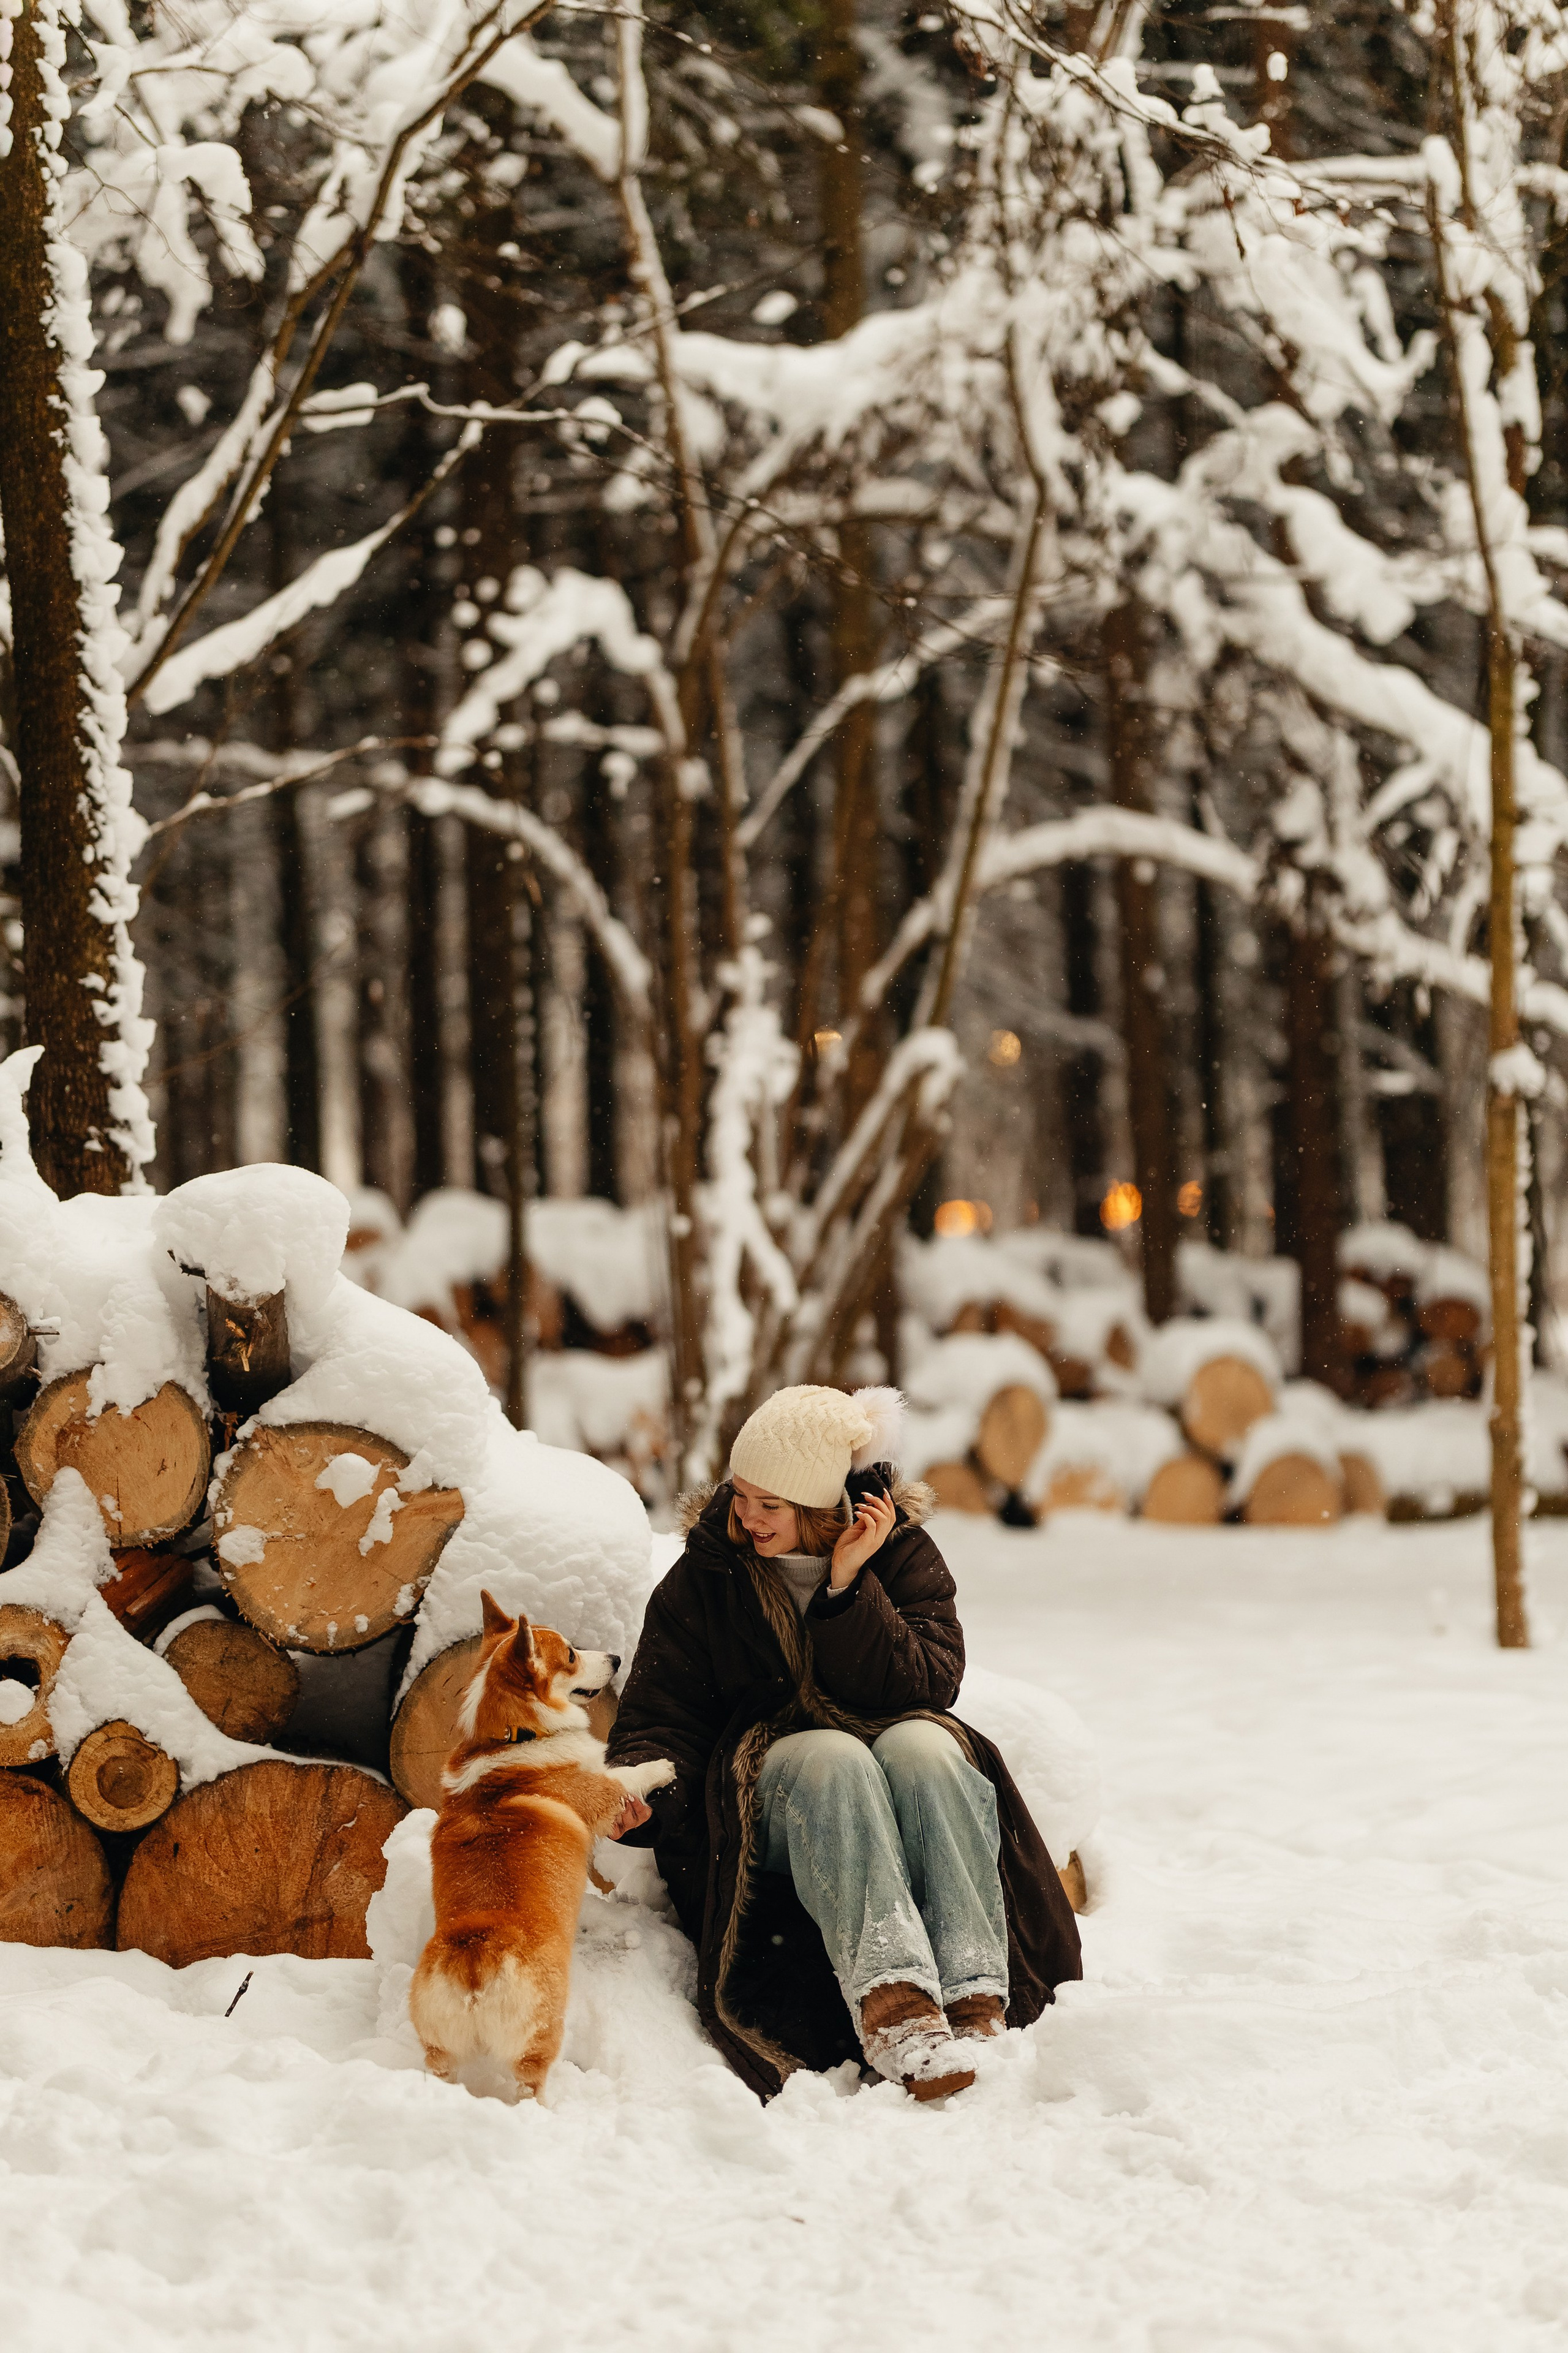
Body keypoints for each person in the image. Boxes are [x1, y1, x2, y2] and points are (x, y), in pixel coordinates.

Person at [606, 1382, 1082, 2101]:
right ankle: (897, 2010)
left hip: (891, 1753)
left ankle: (974, 1999)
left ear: (822, 1505)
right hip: (777, 1786)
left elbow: (928, 1683)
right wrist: (648, 1796)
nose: (748, 1517)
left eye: (772, 1505)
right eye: (742, 1495)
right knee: (832, 1757)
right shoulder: (705, 1578)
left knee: (926, 1748)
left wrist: (850, 1586)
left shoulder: (901, 1554)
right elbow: (662, 1711)